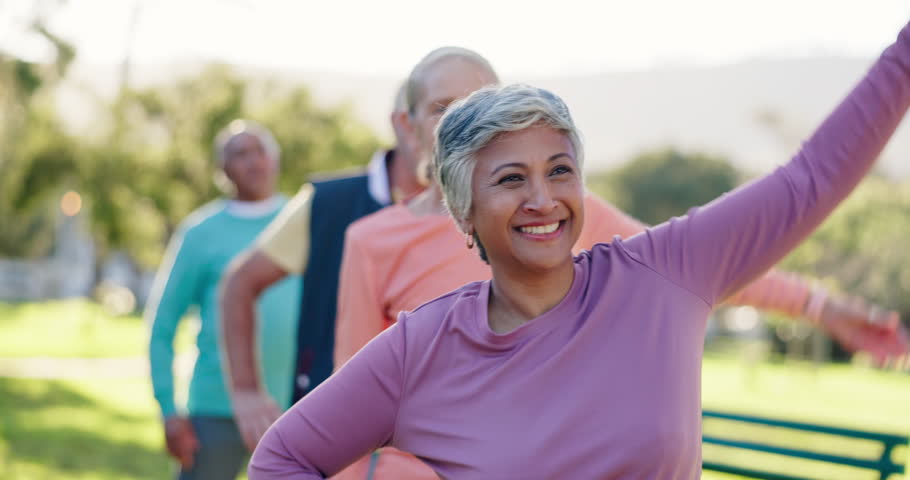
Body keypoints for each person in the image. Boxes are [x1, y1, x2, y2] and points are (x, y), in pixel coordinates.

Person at [249, 20, 910, 479]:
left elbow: (810, 179)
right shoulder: (421, 347)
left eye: (559, 170)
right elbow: (284, 458)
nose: (543, 199)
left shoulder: (662, 273)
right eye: (510, 179)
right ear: (462, 210)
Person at [334, 48, 889, 372]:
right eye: (445, 109)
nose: (472, 126)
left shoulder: (555, 213)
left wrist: (821, 307)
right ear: (406, 126)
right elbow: (352, 401)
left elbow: (692, 267)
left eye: (488, 107)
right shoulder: (370, 240)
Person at [219, 84, 424, 453]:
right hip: (339, 439)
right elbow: (240, 283)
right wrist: (246, 390)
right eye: (445, 107)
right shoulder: (328, 203)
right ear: (405, 123)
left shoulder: (486, 204)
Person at [146, 120, 300, 479]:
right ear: (222, 170)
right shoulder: (200, 233)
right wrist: (169, 410)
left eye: (260, 150)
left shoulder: (301, 221)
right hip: (216, 409)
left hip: (295, 406)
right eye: (239, 154)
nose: (252, 162)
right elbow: (162, 325)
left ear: (275, 159)